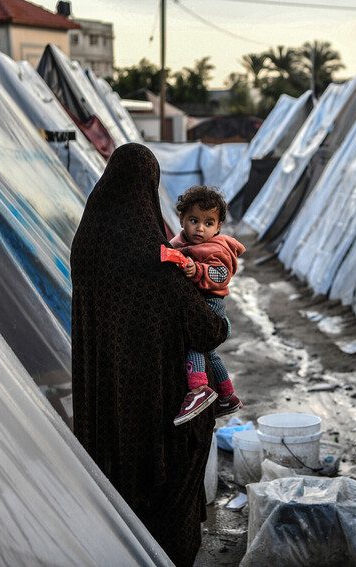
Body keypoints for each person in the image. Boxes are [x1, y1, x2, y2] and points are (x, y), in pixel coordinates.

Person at [71, 144, 228, 566]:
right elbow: (206, 330)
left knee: (119, 498)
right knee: (167, 506)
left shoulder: (85, 246)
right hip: (159, 414)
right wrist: (219, 315)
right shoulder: (154, 257)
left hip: (106, 408)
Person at [169, 186, 245, 426]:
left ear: (219, 226)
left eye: (208, 223)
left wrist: (198, 269)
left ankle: (199, 388)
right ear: (182, 219)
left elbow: (221, 275)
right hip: (197, 303)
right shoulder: (179, 242)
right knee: (210, 353)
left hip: (210, 304)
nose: (200, 228)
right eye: (194, 220)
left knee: (195, 341)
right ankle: (227, 396)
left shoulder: (218, 248)